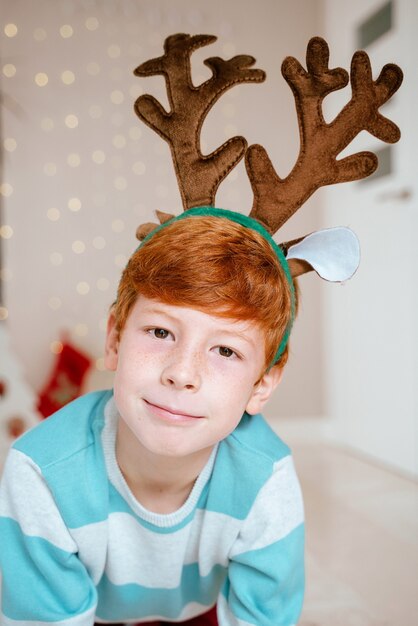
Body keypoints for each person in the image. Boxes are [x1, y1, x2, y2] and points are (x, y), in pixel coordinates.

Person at [0, 210, 305, 625]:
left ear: (263, 384)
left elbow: (263, 616)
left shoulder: (266, 478)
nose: (181, 373)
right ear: (114, 339)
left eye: (226, 351)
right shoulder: (41, 471)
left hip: (203, 611)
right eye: (161, 332)